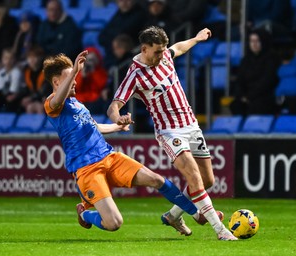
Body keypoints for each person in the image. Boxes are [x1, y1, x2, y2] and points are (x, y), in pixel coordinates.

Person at [42, 51, 208, 234]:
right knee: (114, 223)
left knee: (157, 179)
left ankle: (196, 213)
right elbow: (57, 100)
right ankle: (84, 215)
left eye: (74, 76)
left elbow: (94, 126)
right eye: (70, 77)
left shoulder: (76, 103)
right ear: (57, 82)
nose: (75, 81)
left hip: (109, 156)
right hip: (86, 168)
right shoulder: (52, 104)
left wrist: (117, 126)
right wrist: (74, 70)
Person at [107, 26, 237, 240]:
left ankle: (173, 215)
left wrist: (196, 38)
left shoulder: (165, 55)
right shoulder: (135, 75)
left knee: (208, 180)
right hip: (169, 131)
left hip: (191, 125)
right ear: (144, 49)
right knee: (194, 177)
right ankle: (221, 231)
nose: (161, 55)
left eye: (163, 50)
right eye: (157, 52)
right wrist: (118, 118)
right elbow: (113, 106)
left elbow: (178, 48)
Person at [230, 29, 281, 116]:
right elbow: (240, 80)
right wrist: (242, 95)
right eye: (251, 41)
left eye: (257, 41)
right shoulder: (246, 59)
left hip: (265, 95)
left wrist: (249, 96)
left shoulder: (272, 58)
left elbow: (267, 80)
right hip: (247, 95)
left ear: (263, 41)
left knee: (258, 105)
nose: (254, 44)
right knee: (235, 105)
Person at [98, 0, 146, 68]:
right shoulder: (118, 15)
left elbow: (125, 31)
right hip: (113, 55)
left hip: (130, 55)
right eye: (121, 0)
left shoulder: (140, 14)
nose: (124, 2)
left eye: (127, 0)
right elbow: (101, 37)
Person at [74, 47, 109, 114]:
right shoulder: (80, 72)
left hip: (95, 101)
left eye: (93, 59)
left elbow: (100, 86)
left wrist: (94, 72)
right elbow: (77, 87)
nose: (90, 62)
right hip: (81, 100)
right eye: (89, 59)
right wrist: (82, 76)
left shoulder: (101, 72)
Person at [20, 46, 52, 114]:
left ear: (40, 58)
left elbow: (45, 90)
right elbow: (25, 88)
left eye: (34, 57)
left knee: (39, 107)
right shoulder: (26, 71)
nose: (31, 60)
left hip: (46, 98)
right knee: (29, 107)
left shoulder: (46, 71)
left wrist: (31, 98)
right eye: (29, 57)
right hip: (33, 99)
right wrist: (26, 98)